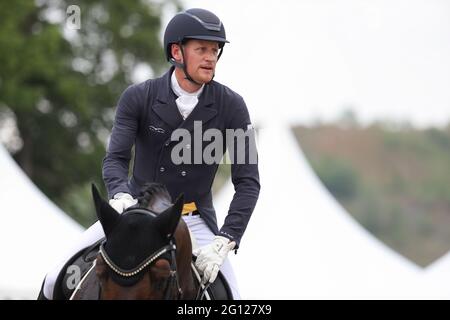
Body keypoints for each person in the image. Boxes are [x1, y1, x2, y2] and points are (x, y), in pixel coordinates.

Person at [39, 7, 259, 300]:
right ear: (177, 52)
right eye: (202, 49)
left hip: (194, 219)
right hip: (134, 212)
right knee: (55, 278)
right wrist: (120, 196)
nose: (211, 57)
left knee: (236, 301)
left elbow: (248, 183)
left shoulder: (233, 106)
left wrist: (227, 237)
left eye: (215, 50)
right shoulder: (138, 97)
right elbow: (115, 159)